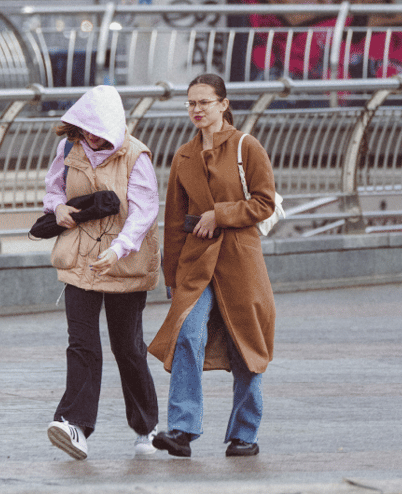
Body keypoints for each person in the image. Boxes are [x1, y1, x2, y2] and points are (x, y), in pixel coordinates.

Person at [148, 74, 277, 458]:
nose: (197, 110)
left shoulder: (246, 146)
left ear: (223, 104)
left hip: (240, 260)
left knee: (246, 345)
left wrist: (219, 215)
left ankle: (244, 434)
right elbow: (172, 222)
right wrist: (170, 276)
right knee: (188, 334)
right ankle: (182, 430)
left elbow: (264, 203)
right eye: (191, 103)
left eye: (204, 102)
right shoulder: (183, 156)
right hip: (196, 262)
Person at [43, 85, 162, 460]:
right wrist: (58, 209)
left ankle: (146, 427)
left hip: (122, 261)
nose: (91, 136)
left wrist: (118, 250)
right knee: (81, 342)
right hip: (80, 260)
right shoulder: (68, 149)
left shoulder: (135, 155)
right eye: (85, 128)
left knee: (127, 347)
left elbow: (144, 212)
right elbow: (54, 190)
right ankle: (75, 425)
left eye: (98, 129)